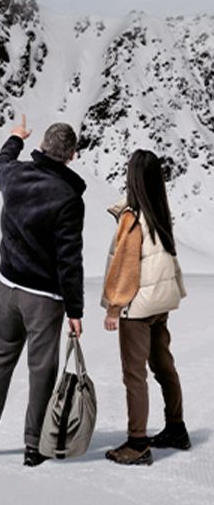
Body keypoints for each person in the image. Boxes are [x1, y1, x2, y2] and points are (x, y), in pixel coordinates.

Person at [0, 115, 85, 466]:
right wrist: (75, 310)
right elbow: (69, 260)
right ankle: (33, 444)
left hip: (7, 287)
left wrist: (15, 138)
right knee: (41, 369)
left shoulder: (15, 175)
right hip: (43, 298)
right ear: (71, 156)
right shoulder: (68, 198)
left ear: (42, 148)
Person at [102, 149, 189, 465]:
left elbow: (125, 267)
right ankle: (176, 428)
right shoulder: (159, 212)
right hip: (160, 303)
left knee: (134, 375)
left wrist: (114, 307)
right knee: (163, 364)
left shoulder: (133, 217)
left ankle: (137, 444)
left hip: (137, 308)